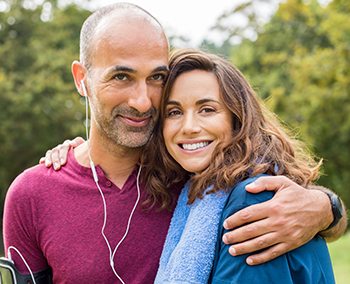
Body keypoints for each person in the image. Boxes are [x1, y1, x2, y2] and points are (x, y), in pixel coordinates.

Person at [3, 3, 346, 284]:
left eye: (156, 78)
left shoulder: (199, 176)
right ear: (82, 79)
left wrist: (326, 207)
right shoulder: (32, 195)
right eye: (121, 76)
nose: (141, 100)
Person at [148, 48, 337, 283]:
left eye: (207, 109)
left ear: (237, 119)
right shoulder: (189, 192)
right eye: (174, 112)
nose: (188, 127)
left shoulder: (255, 198)